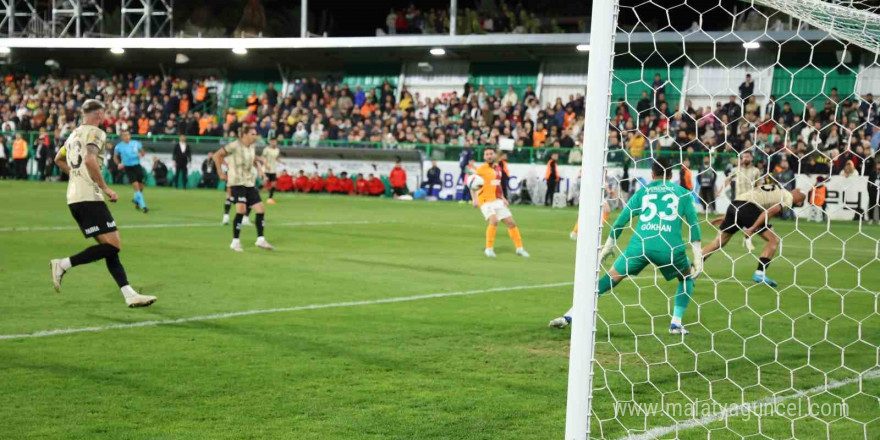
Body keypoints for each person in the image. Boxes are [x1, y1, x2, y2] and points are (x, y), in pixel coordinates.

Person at [549, 159, 702, 334]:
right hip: (669, 248)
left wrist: (609, 245)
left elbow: (621, 220)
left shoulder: (643, 192)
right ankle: (675, 324)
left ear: (652, 174)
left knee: (610, 278)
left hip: (640, 246)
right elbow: (694, 225)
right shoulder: (683, 193)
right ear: (671, 175)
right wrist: (697, 255)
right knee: (687, 278)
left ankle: (570, 315)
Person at [49, 99, 157, 308]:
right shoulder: (95, 133)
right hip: (89, 197)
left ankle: (129, 294)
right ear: (99, 114)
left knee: (109, 248)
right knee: (114, 245)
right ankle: (63, 264)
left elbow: (58, 159)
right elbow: (90, 159)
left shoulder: (73, 135)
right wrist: (106, 188)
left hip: (74, 198)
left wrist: (76, 176)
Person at [702, 184, 806, 287]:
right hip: (748, 208)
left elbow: (744, 204)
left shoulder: (778, 190)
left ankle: (695, 265)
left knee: (718, 242)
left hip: (734, 205)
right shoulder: (788, 199)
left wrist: (726, 217)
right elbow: (768, 212)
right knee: (774, 240)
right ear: (799, 202)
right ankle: (760, 273)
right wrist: (752, 228)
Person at [214, 124, 274, 252]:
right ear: (244, 135)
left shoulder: (251, 147)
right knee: (241, 210)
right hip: (236, 182)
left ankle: (261, 239)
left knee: (260, 209)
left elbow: (252, 160)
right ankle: (235, 242)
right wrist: (220, 172)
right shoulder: (234, 146)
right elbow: (217, 155)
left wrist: (259, 169)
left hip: (248, 182)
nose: (255, 136)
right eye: (252, 134)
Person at [472, 147, 529, 258]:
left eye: (491, 153)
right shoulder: (481, 169)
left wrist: (502, 197)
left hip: (496, 200)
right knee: (493, 220)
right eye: (486, 154)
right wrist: (474, 199)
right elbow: (471, 184)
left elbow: (498, 184)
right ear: (484, 157)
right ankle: (489, 249)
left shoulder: (498, 168)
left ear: (494, 155)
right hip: (484, 200)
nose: (489, 156)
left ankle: (520, 248)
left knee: (511, 223)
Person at [113, 130, 148, 213]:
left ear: (130, 135)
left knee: (141, 186)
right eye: (124, 135)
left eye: (127, 135)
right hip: (128, 168)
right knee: (136, 186)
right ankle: (144, 206)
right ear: (122, 137)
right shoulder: (119, 147)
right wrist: (119, 164)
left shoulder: (136, 143)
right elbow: (115, 157)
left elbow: (143, 152)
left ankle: (136, 200)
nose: (126, 136)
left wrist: (142, 154)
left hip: (137, 166)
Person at [261, 137, 280, 203]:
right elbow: (263, 157)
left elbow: (276, 158)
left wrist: (280, 161)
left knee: (274, 184)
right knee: (265, 182)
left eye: (275, 141)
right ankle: (257, 190)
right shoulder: (266, 149)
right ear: (270, 142)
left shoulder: (277, 150)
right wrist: (266, 165)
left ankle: (270, 198)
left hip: (273, 169)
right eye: (272, 141)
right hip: (266, 169)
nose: (274, 143)